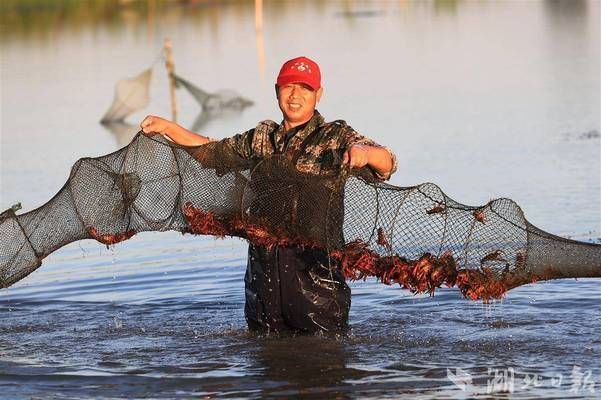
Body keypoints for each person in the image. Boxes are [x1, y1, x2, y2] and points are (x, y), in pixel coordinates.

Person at [141, 56, 397, 334]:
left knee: (322, 362)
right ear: (277, 91)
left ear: (318, 94)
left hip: (317, 283)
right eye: (288, 87)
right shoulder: (261, 138)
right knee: (263, 357)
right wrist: (168, 128)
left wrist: (363, 154)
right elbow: (213, 153)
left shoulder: (334, 136)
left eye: (305, 88)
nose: (295, 95)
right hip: (264, 280)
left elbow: (387, 162)